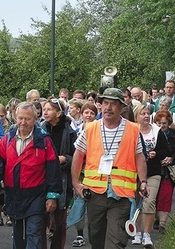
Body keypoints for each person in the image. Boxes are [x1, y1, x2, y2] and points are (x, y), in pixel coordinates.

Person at [71, 88, 148, 249]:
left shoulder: (133, 129)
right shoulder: (91, 128)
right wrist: (76, 183)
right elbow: (78, 155)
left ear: (121, 107)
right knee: (96, 237)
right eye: (105, 103)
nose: (108, 107)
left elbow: (139, 157)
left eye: (113, 104)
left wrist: (143, 182)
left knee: (116, 240)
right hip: (95, 193)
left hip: (121, 195)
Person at [0, 102, 62, 249]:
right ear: (14, 117)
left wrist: (52, 196)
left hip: (36, 196)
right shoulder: (8, 139)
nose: (23, 122)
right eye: (20, 118)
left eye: (27, 119)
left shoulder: (44, 140)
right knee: (19, 236)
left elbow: (53, 169)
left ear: (35, 118)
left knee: (33, 233)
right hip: (14, 196)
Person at [131, 105, 171, 247]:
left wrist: (156, 154)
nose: (146, 116)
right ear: (136, 117)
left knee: (149, 201)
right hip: (134, 172)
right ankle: (136, 232)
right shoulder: (131, 131)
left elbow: (166, 150)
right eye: (143, 114)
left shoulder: (157, 131)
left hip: (153, 172)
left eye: (148, 113)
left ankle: (146, 234)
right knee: (136, 203)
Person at [41, 97, 77, 248]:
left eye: (49, 109)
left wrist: (64, 159)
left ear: (58, 113)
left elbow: (76, 156)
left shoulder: (69, 131)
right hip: (42, 177)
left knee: (60, 220)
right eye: (44, 109)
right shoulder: (40, 129)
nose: (45, 112)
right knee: (41, 219)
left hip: (62, 178)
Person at [154, 110, 175, 234]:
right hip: (155, 170)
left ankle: (162, 223)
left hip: (169, 171)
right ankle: (156, 218)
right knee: (155, 197)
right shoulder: (153, 134)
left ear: (169, 123)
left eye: (164, 123)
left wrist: (171, 159)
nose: (162, 126)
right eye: (159, 123)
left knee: (166, 196)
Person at [70, 102, 98, 247]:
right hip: (80, 173)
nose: (89, 115)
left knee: (94, 207)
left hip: (94, 173)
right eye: (86, 113)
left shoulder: (100, 131)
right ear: (81, 115)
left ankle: (94, 235)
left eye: (92, 113)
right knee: (79, 202)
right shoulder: (76, 131)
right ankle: (79, 235)